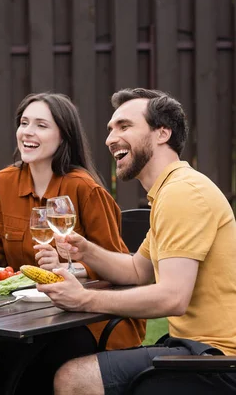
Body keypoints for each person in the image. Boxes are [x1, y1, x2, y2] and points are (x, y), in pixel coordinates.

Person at [0, 92, 146, 394]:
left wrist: (71, 267)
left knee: (35, 358)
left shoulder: (84, 189)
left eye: (41, 125)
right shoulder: (0, 184)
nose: (28, 132)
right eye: (24, 123)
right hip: (26, 315)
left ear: (63, 136)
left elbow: (121, 269)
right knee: (3, 357)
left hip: (90, 318)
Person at [44, 88, 236, 394]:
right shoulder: (171, 191)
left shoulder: (183, 193)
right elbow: (136, 270)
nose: (109, 139)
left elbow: (173, 297)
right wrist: (87, 250)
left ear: (162, 133)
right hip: (193, 349)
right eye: (110, 130)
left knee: (73, 377)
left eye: (124, 126)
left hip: (218, 362)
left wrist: (84, 299)